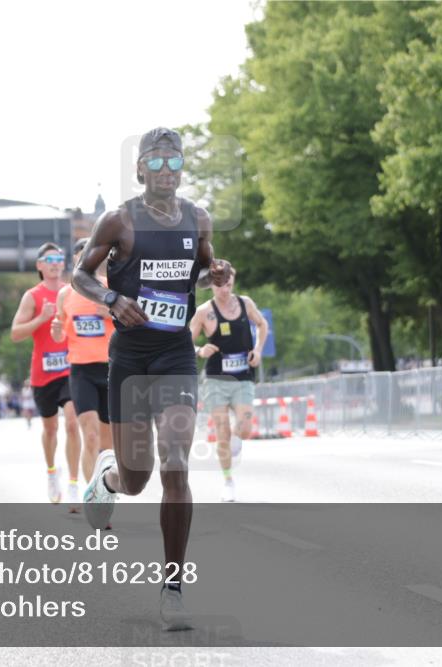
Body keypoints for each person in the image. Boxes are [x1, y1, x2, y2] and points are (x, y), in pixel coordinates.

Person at [73, 127, 229, 631]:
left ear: (183, 168)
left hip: (176, 355)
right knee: (137, 479)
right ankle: (110, 477)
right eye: (155, 162)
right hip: (130, 358)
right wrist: (112, 300)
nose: (165, 170)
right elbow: (80, 276)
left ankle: (174, 589)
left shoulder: (197, 218)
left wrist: (217, 272)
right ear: (140, 169)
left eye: (173, 161)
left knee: (177, 462)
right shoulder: (118, 220)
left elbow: (199, 273)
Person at [10, 243, 82, 507]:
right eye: (49, 259)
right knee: (50, 428)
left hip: (71, 368)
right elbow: (15, 333)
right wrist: (41, 318)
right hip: (43, 372)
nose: (55, 263)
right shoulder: (32, 296)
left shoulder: (71, 291)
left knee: (73, 422)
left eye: (59, 258)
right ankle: (52, 472)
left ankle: (74, 484)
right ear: (39, 265)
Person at [189, 263, 267, 502]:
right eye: (220, 285)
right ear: (212, 284)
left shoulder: (245, 303)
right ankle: (228, 481)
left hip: (243, 376)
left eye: (229, 284)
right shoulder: (204, 311)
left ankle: (235, 440)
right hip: (216, 379)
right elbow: (184, 342)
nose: (225, 290)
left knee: (244, 428)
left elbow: (262, 324)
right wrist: (200, 349)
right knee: (221, 431)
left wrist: (258, 350)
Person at [51, 237, 115, 490]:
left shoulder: (112, 288)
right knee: (89, 435)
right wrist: (56, 331)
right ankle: (94, 494)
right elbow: (59, 335)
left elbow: (135, 322)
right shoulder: (65, 294)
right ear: (76, 260)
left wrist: (111, 313)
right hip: (81, 371)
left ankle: (105, 487)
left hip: (110, 370)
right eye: (80, 254)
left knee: (107, 444)